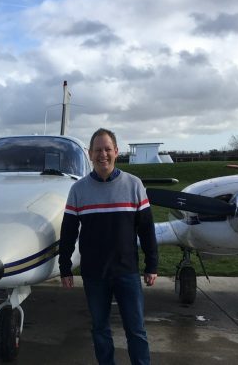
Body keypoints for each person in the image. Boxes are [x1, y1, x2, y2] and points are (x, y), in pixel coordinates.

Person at [59, 128, 158, 365]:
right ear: (90, 154)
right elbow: (69, 232)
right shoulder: (78, 190)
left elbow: (146, 228)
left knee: (136, 330)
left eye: (107, 149)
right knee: (100, 330)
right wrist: (65, 267)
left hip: (127, 272)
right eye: (97, 150)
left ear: (116, 152)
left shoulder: (134, 185)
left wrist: (151, 264)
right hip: (94, 274)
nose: (102, 154)